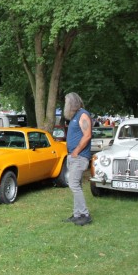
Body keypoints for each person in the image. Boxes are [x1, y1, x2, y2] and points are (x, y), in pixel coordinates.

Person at [62, 92, 93, 226]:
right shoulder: (75, 116)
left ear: (72, 103)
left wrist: (76, 151)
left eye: (66, 102)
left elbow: (87, 135)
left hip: (79, 157)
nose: (65, 105)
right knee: (77, 184)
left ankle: (85, 214)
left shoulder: (83, 115)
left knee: (73, 184)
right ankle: (77, 214)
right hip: (73, 156)